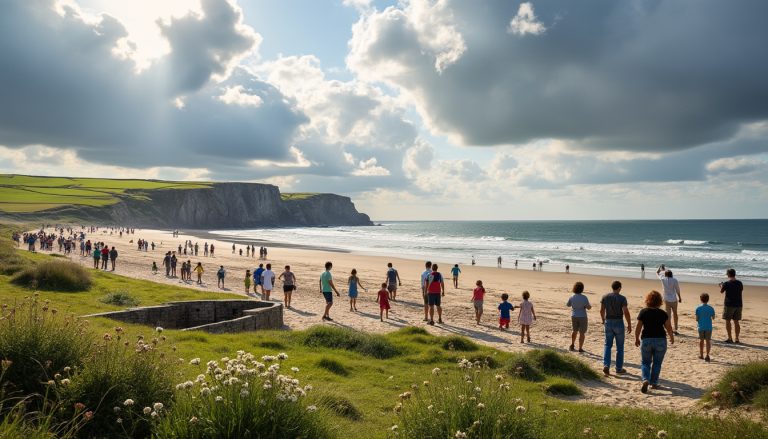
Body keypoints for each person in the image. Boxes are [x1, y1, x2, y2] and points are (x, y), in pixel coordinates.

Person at [635, 290, 675, 393]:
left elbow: (638, 327)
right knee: (657, 363)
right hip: (660, 340)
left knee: (645, 362)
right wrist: (671, 337)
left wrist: (636, 338)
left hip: (647, 339)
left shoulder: (643, 312)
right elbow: (668, 327)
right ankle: (654, 382)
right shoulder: (663, 313)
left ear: (647, 300)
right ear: (659, 301)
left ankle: (645, 379)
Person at [600, 280, 632, 376]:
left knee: (607, 345)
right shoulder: (622, 298)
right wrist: (629, 324)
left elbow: (601, 310)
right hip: (618, 322)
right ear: (619, 288)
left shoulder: (605, 297)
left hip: (608, 321)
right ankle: (618, 368)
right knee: (620, 347)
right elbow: (625, 312)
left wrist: (603, 319)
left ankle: (606, 365)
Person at [719, 268, 743, 344]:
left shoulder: (726, 283)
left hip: (729, 304)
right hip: (738, 304)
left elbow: (721, 291)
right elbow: (740, 290)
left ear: (728, 274)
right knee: (736, 322)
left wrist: (721, 285)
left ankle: (730, 338)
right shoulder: (739, 283)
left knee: (728, 321)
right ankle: (737, 338)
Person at [567, 282, 592, 352]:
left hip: (574, 315)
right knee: (582, 333)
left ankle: (572, 344)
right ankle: (580, 348)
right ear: (582, 289)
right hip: (582, 316)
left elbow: (568, 305)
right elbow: (589, 307)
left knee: (574, 331)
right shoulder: (584, 297)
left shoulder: (572, 296)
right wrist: (585, 306)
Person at [656, 267, 682, 334]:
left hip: (666, 299)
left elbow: (657, 273)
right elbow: (677, 289)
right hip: (673, 299)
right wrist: (679, 297)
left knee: (668, 315)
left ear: (665, 274)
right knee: (675, 313)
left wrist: (660, 268)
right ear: (671, 274)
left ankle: (669, 328)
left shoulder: (663, 279)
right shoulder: (674, 280)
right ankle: (675, 327)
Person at [696, 292, 715, 362]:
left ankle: (701, 355)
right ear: (708, 299)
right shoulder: (711, 308)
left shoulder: (698, 308)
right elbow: (713, 317)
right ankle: (707, 355)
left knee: (701, 341)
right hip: (708, 327)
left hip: (701, 326)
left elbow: (697, 318)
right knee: (708, 341)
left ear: (701, 299)